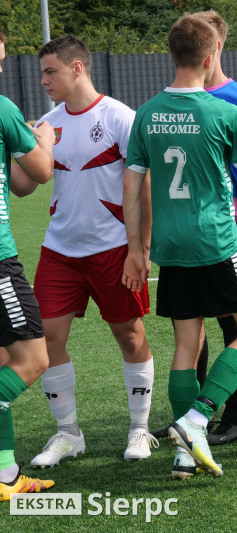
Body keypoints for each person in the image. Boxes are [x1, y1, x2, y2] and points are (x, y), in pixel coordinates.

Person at [123, 13, 237, 480]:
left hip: (170, 247)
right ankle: (198, 417)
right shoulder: (224, 112)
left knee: (187, 344)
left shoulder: (147, 112)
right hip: (217, 241)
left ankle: (185, 454)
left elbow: (132, 187)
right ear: (210, 57)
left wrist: (135, 249)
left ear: (172, 55)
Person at [27, 36, 156, 469]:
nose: (44, 80)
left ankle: (139, 427)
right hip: (59, 251)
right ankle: (68, 434)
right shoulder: (47, 123)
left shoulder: (120, 117)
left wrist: (141, 248)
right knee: (47, 340)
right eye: (42, 72)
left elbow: (144, 186)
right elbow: (28, 183)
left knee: (130, 336)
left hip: (114, 250)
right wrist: (23, 143)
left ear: (77, 68)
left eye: (50, 71)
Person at [191, 10, 237, 446]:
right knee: (190, 328)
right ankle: (194, 415)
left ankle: (233, 418)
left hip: (227, 232)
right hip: (188, 235)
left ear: (216, 45)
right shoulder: (179, 98)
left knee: (235, 328)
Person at [0, 28, 57, 502]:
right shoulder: (2, 108)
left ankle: (4, 475)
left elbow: (19, 185)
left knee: (2, 362)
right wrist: (45, 141)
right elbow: (40, 171)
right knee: (32, 360)